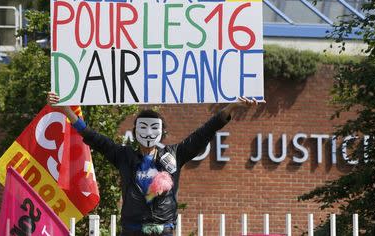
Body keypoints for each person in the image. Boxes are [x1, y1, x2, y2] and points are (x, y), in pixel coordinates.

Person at [47, 92, 260, 236]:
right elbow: (91, 136)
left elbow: (205, 132)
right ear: (135, 130)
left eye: (153, 128)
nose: (148, 133)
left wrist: (232, 106)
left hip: (164, 230)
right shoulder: (123, 155)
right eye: (143, 128)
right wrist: (65, 109)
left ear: (161, 132)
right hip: (132, 230)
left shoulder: (176, 154)